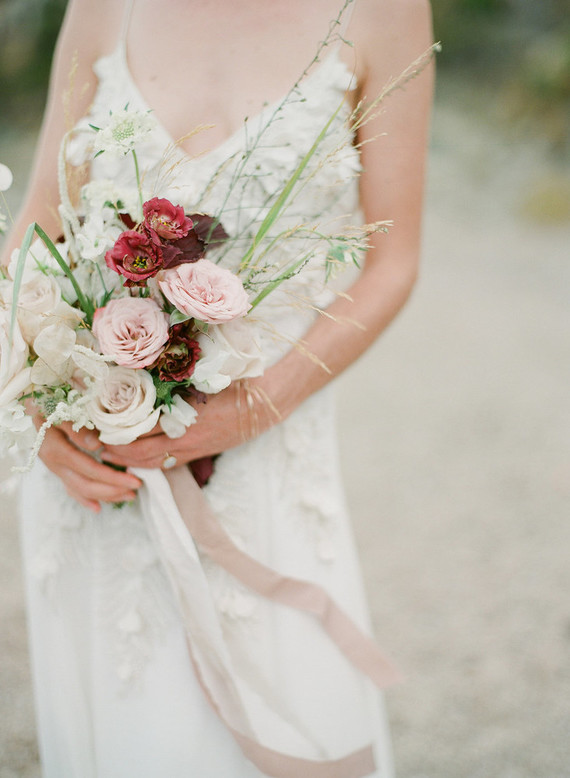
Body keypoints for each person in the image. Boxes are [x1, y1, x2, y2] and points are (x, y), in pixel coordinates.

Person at [2, 0, 434, 775]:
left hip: (265, 453)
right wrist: (41, 401)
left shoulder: (383, 10)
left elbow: (394, 261)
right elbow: (41, 222)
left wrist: (256, 406)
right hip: (97, 470)